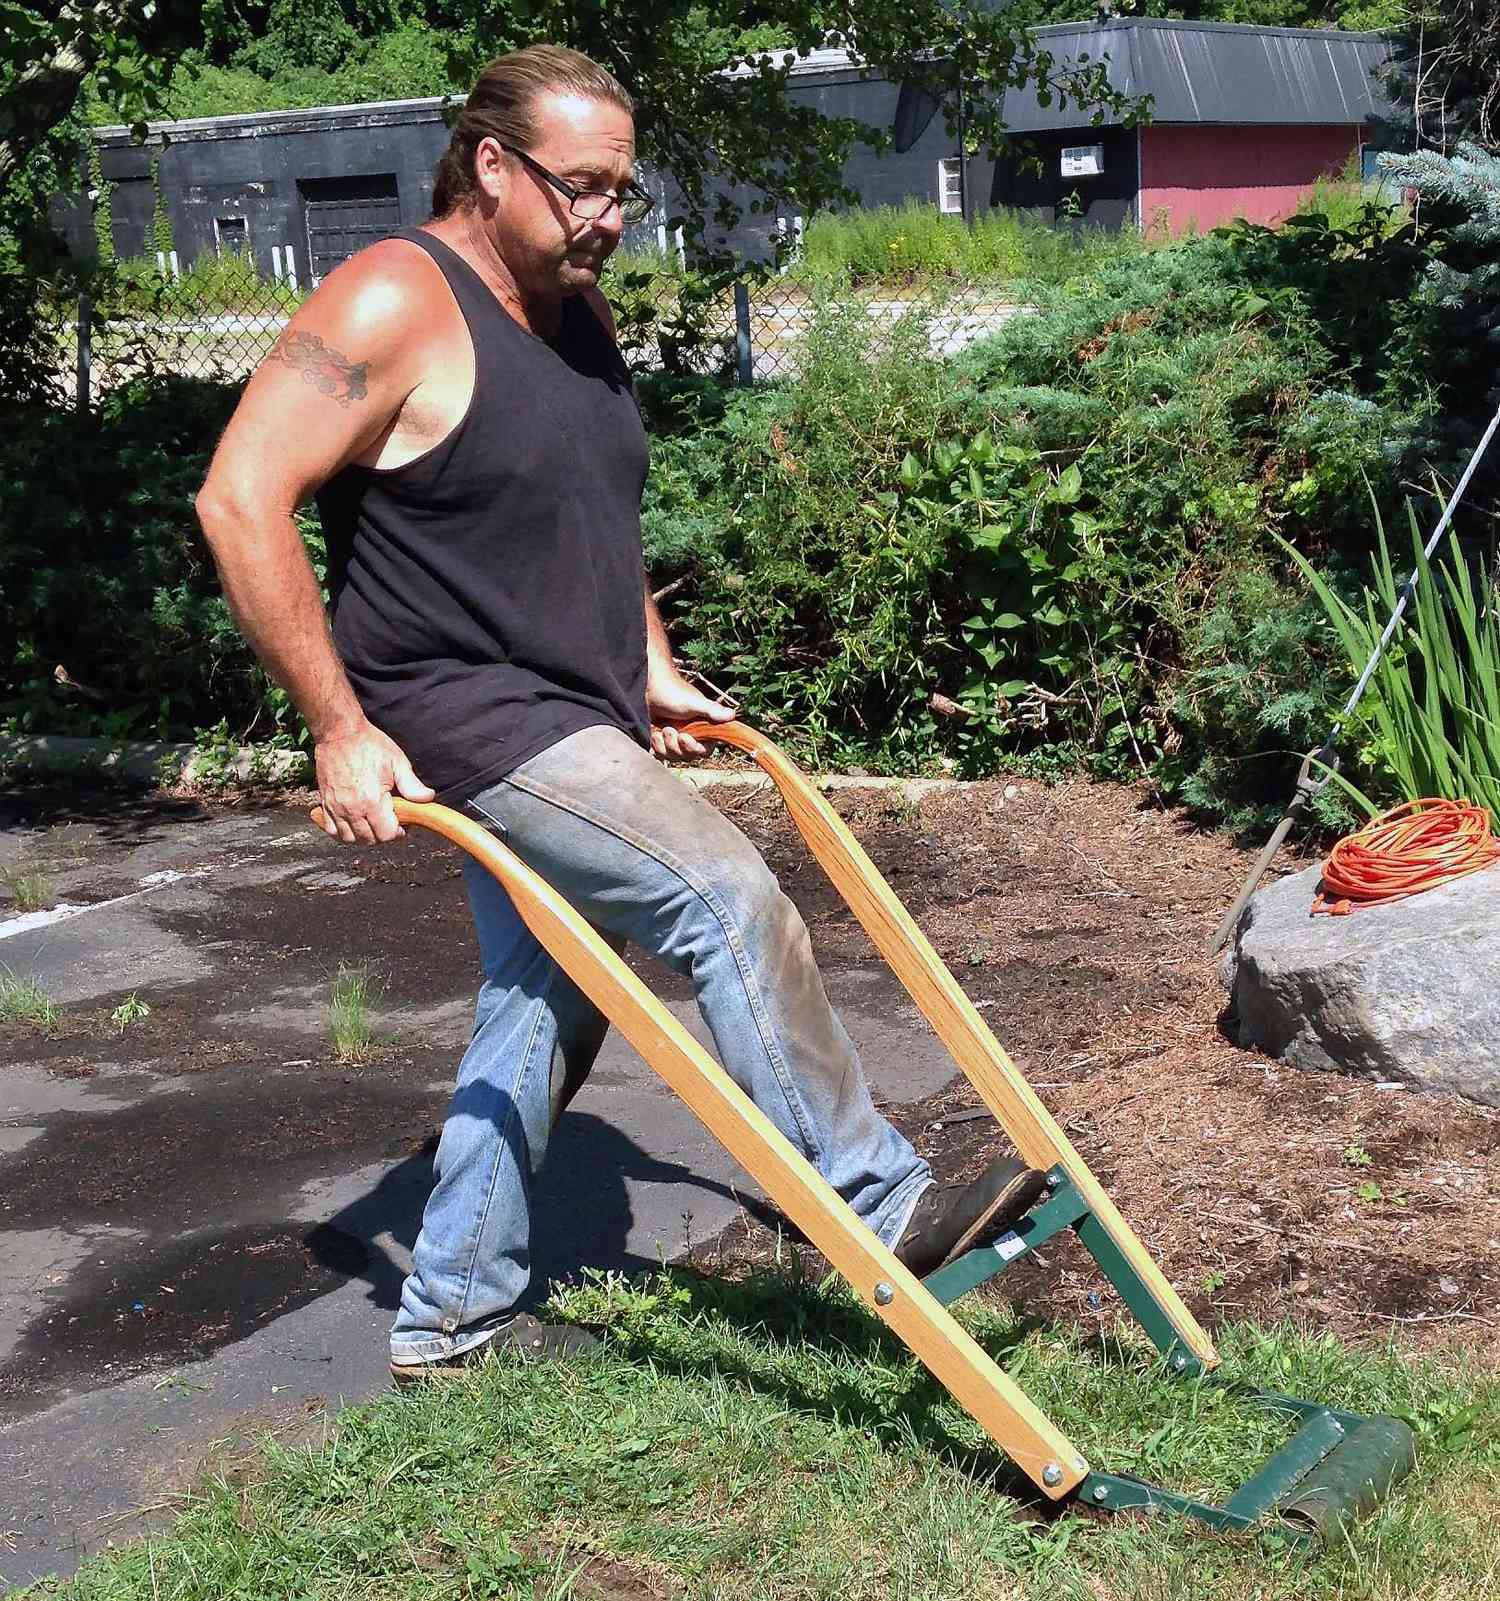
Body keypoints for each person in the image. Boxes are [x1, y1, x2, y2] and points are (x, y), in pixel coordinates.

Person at [196, 44, 1046, 1378]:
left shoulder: (570, 309)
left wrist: (644, 655)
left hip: (574, 700)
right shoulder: (391, 301)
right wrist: (338, 724)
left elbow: (593, 500)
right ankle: (879, 1205)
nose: (604, 216)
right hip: (475, 717)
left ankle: (447, 1309)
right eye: (580, 187)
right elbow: (238, 499)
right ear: (491, 164)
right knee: (723, 895)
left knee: (549, 995)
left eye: (620, 191)